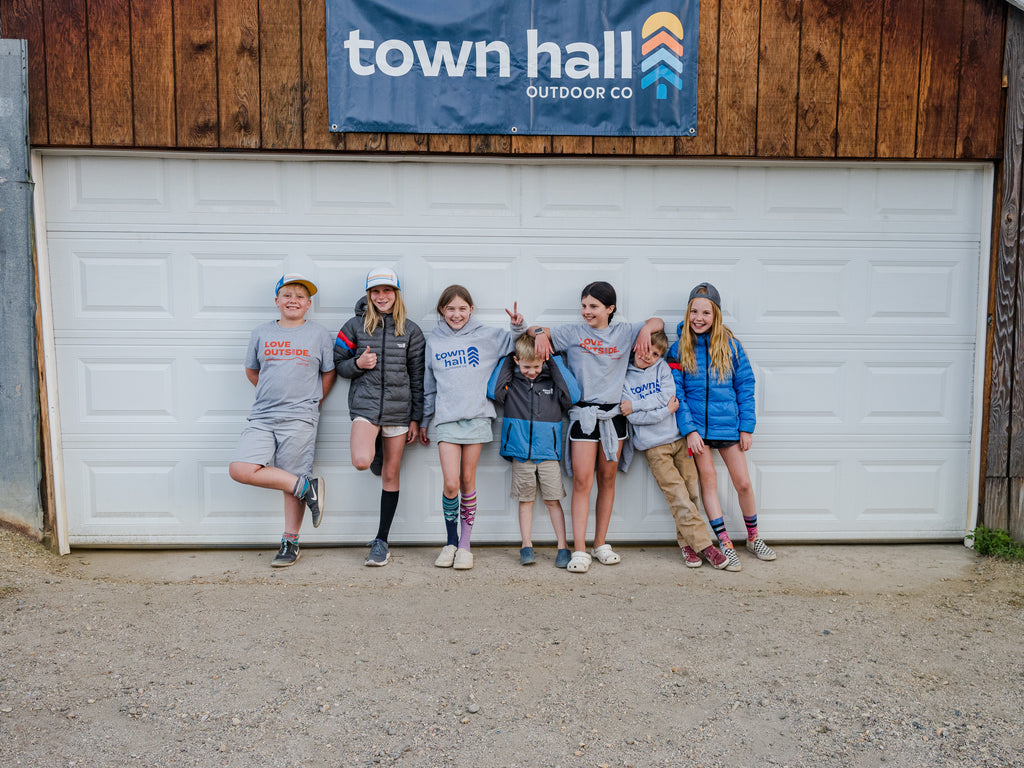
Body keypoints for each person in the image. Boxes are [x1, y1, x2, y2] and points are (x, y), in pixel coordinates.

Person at [529, 281, 664, 573]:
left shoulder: (625, 332)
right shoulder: (574, 332)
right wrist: (539, 333)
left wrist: (643, 330)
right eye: (584, 305)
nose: (586, 311)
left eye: (593, 306)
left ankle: (600, 543)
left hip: (614, 417)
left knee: (608, 480)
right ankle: (579, 550)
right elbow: (535, 330)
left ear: (609, 309)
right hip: (584, 417)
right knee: (581, 482)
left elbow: (659, 322)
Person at [228, 273, 336, 568]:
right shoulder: (261, 333)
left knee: (292, 474)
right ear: (277, 301)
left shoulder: (319, 334)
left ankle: (290, 541)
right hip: (262, 416)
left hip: (300, 418)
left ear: (309, 304)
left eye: (301, 296)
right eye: (287, 295)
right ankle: (307, 488)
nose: (293, 300)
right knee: (240, 468)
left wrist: (313, 401)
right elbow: (253, 371)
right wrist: (271, 395)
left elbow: (328, 373)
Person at [669, 282, 777, 572]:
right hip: (699, 432)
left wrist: (747, 427)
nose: (698, 318)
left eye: (706, 312)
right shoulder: (678, 348)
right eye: (694, 311)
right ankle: (725, 543)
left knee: (742, 482)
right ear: (688, 311)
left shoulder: (731, 346)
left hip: (728, 427)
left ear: (715, 315)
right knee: (710, 483)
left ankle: (753, 537)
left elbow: (745, 386)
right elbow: (677, 395)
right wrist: (690, 430)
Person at [420, 285, 526, 570]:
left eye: (462, 309)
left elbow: (516, 343)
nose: (457, 314)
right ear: (442, 310)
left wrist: (519, 326)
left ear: (471, 309)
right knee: (451, 483)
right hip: (446, 419)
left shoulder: (487, 335)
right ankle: (450, 542)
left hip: (477, 417)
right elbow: (429, 386)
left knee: (468, 480)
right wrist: (424, 419)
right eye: (450, 309)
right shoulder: (435, 341)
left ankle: (465, 546)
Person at [334, 267, 425, 567]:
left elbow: (418, 377)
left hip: (399, 411)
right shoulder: (353, 326)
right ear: (368, 295)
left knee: (391, 474)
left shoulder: (411, 331)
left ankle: (381, 541)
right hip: (366, 407)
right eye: (376, 291)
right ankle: (376, 451)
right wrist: (358, 363)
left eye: (387, 291)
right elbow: (338, 366)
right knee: (362, 461)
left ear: (396, 294)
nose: (381, 296)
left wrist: (416, 418)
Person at [621, 330, 728, 570]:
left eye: (656, 353)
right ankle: (707, 547)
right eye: (647, 350)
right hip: (654, 447)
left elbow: (669, 395)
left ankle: (687, 544)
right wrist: (663, 410)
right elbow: (634, 418)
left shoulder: (662, 369)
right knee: (677, 495)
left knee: (691, 494)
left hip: (679, 440)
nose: (649, 356)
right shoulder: (625, 377)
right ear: (638, 346)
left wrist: (640, 406)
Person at [487, 333, 581, 567]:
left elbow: (573, 396)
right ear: (518, 361)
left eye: (536, 366)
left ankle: (563, 547)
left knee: (552, 500)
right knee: (525, 500)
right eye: (526, 366)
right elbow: (494, 391)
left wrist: (552, 360)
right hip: (520, 452)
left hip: (547, 453)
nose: (532, 371)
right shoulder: (513, 383)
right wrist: (509, 359)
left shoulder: (551, 382)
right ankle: (526, 545)